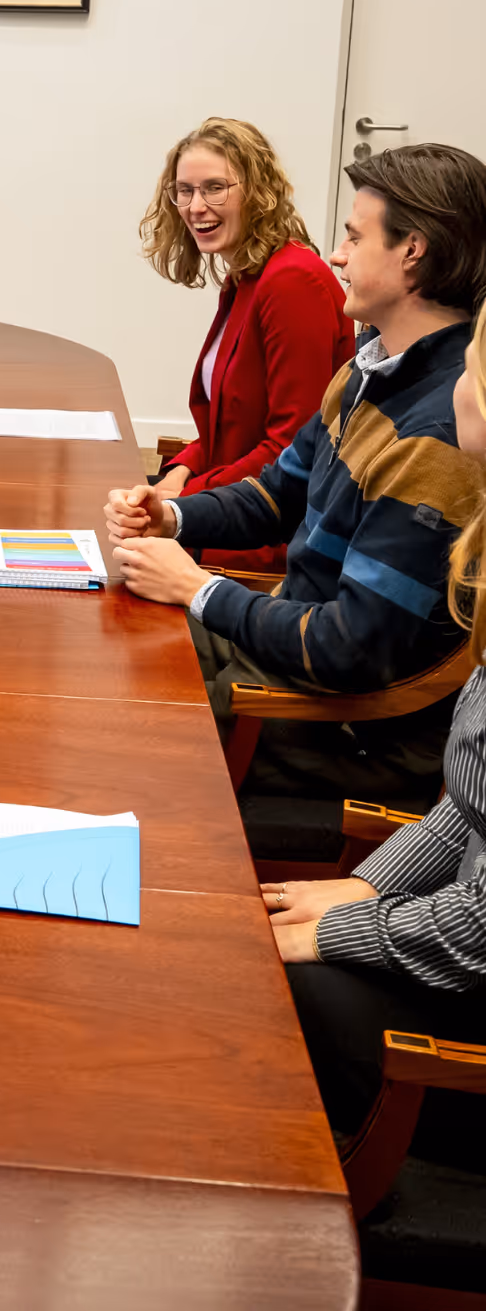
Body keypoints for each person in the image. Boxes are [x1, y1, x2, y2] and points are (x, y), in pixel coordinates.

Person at [106, 143, 486, 820]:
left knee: (115, 735)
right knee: (107, 640)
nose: (337, 255)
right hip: (288, 657)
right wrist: (174, 519)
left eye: (354, 237)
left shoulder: (439, 434)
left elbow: (349, 648)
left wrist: (197, 588)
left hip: (341, 732)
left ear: (412, 252)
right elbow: (277, 494)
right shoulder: (372, 368)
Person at [264, 301, 486, 1134]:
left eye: (473, 367)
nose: (456, 380)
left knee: (260, 991)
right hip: (454, 936)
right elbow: (468, 810)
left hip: (465, 1000)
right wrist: (365, 885)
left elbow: (480, 926)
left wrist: (345, 930)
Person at [140, 118, 354, 568]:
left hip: (268, 531)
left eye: (215, 188)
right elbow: (226, 428)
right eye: (184, 191)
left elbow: (290, 450)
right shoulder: (245, 276)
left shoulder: (293, 281)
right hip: (225, 501)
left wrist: (183, 504)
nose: (196, 206)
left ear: (257, 191)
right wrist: (180, 471)